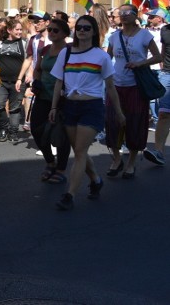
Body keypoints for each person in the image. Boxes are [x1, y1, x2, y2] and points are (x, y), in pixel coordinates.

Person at [49, 15, 123, 210]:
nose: (82, 30)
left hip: (92, 107)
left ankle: (69, 194)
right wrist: (54, 107)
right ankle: (96, 180)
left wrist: (118, 112)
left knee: (80, 151)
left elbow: (110, 87)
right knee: (79, 150)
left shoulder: (101, 56)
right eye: (79, 27)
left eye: (87, 28)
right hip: (70, 107)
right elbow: (58, 83)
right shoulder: (66, 54)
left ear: (93, 32)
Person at [105, 3, 161, 178]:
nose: (123, 15)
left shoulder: (145, 35)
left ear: (136, 15)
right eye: (120, 13)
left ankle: (131, 163)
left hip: (136, 86)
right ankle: (116, 159)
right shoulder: (114, 36)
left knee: (135, 123)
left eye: (127, 12)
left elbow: (158, 56)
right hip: (116, 85)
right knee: (112, 122)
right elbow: (108, 58)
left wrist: (140, 63)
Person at [29, 18, 72, 184]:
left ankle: (61, 169)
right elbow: (38, 69)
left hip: (63, 99)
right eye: (50, 30)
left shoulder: (70, 51)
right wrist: (36, 81)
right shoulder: (46, 49)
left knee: (61, 135)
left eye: (56, 30)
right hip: (43, 96)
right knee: (36, 130)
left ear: (65, 34)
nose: (51, 33)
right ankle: (49, 162)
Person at [0, 18, 27, 142]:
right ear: (9, 30)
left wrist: (28, 75)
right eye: (16, 29)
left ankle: (13, 132)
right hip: (0, 81)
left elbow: (29, 59)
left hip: (18, 81)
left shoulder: (24, 43)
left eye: (20, 29)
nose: (19, 32)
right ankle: (3, 128)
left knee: (15, 108)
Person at [146, 10, 170, 167]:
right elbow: (162, 52)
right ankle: (159, 152)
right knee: (163, 113)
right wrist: (162, 70)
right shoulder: (165, 30)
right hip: (167, 74)